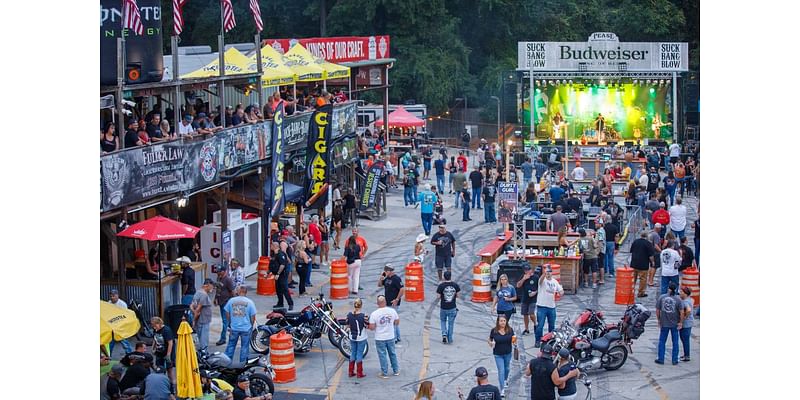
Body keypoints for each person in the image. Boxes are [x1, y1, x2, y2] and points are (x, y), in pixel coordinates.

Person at [368, 295, 401, 378]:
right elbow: (397, 322)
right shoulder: (392, 311)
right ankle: (396, 370)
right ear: (385, 302)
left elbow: (372, 327)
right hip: (390, 336)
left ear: (377, 303)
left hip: (380, 337)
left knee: (382, 355)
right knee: (392, 353)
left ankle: (384, 372)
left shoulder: (374, 314)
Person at [224, 286, 257, 363]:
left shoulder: (231, 301)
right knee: (244, 348)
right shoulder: (250, 302)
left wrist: (230, 322)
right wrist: (251, 325)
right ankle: (242, 365)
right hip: (246, 328)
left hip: (234, 328)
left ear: (238, 292)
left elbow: (226, 312)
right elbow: (253, 316)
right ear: (246, 292)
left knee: (231, 346)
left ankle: (226, 363)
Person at [655, 282, 684, 365]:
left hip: (664, 323)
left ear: (668, 289)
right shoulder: (678, 300)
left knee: (662, 341)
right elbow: (681, 312)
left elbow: (657, 310)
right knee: (675, 342)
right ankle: (674, 359)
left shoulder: (662, 297)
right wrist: (680, 322)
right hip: (674, 324)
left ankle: (661, 358)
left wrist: (659, 320)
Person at [535, 266, 563, 346]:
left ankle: (550, 340)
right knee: (540, 325)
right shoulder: (542, 280)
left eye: (549, 272)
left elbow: (561, 291)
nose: (548, 273)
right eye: (547, 272)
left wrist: (560, 292)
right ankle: (538, 340)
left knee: (552, 326)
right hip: (541, 306)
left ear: (552, 272)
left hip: (551, 307)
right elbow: (540, 281)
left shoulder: (554, 282)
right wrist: (544, 274)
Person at [488, 315, 515, 395]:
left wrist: (515, 341)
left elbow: (513, 338)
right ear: (498, 322)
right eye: (501, 321)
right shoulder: (494, 331)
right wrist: (491, 343)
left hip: (508, 353)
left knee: (507, 368)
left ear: (506, 321)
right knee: (501, 371)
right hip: (498, 354)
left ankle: (505, 380)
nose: (503, 322)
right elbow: (490, 339)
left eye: (504, 321)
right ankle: (502, 389)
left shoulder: (510, 330)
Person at [378, 264, 405, 343]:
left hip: (393, 303)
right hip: (387, 302)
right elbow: (379, 285)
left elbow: (402, 289)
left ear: (390, 271)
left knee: (392, 321)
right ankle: (398, 336)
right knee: (393, 320)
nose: (385, 272)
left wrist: (397, 299)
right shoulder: (386, 278)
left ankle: (395, 338)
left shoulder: (396, 279)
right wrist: (381, 278)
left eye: (386, 271)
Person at [436, 270, 461, 344]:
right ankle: (449, 339)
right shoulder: (455, 285)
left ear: (444, 277)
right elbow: (458, 295)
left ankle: (444, 333)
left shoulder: (441, 286)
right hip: (452, 307)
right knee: (451, 323)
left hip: (443, 307)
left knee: (443, 321)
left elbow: (438, 296)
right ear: (450, 276)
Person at [346, 298, 369, 378]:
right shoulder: (364, 316)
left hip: (352, 336)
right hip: (361, 337)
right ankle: (359, 373)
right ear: (361, 305)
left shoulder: (349, 315)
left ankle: (350, 371)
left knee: (353, 353)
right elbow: (367, 325)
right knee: (359, 354)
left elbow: (348, 325)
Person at [516, 265, 541, 336]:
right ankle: (526, 329)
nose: (526, 272)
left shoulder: (536, 277)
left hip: (533, 299)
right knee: (525, 314)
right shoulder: (523, 276)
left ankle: (535, 323)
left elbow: (540, 287)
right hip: (525, 298)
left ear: (531, 270)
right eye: (525, 270)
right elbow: (518, 285)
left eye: (528, 270)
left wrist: (535, 292)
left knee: (531, 313)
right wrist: (523, 279)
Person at [214, 266, 236, 346]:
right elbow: (218, 289)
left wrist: (234, 302)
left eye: (219, 271)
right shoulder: (219, 278)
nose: (218, 273)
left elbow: (233, 291)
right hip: (221, 302)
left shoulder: (228, 280)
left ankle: (223, 338)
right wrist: (216, 298)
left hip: (227, 302)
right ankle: (234, 334)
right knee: (229, 321)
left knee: (225, 321)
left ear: (224, 271)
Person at [629, 231, 655, 298]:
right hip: (643, 264)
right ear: (646, 236)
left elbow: (631, 251)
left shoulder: (635, 242)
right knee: (643, 279)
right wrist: (652, 262)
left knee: (632, 279)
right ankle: (641, 293)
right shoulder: (648, 244)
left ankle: (630, 291)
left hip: (634, 263)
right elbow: (651, 256)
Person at [108, 289, 133, 356]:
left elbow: (125, 316)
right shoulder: (109, 303)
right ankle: (108, 357)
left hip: (121, 326)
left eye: (113, 296)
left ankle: (130, 356)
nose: (112, 297)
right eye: (111, 296)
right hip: (112, 326)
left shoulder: (122, 304)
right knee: (110, 342)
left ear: (117, 296)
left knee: (124, 342)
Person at [150, 317, 175, 382]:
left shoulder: (166, 330)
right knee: (159, 369)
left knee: (169, 369)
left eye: (155, 326)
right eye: (153, 326)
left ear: (159, 323)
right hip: (159, 352)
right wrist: (153, 348)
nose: (154, 328)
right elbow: (155, 339)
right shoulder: (155, 330)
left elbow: (170, 343)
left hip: (167, 352)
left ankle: (171, 384)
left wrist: (168, 354)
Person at [271, 241, 293, 310]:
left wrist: (278, 274)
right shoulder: (274, 254)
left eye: (272, 245)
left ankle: (290, 304)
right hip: (276, 275)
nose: (270, 246)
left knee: (285, 289)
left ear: (275, 246)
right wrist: (268, 272)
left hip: (282, 275)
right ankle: (280, 303)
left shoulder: (280, 254)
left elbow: (282, 265)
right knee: (278, 289)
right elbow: (272, 264)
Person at [679, 286, 695, 362]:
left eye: (682, 292)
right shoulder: (690, 299)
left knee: (685, 339)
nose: (680, 293)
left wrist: (684, 317)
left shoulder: (685, 302)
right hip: (690, 322)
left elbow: (688, 310)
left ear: (685, 294)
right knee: (685, 339)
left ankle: (687, 355)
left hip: (686, 323)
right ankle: (686, 354)